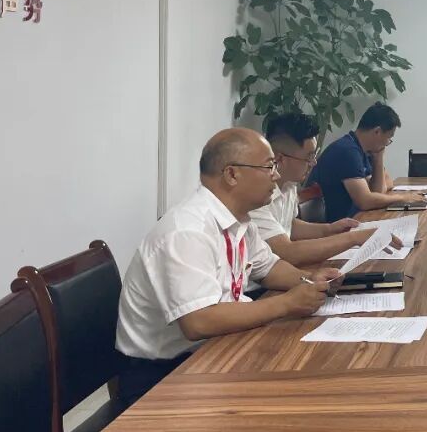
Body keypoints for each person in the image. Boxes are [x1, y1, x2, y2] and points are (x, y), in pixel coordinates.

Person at [116, 128, 337, 405]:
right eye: (269, 167)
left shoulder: (239, 220)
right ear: (232, 174)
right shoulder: (187, 231)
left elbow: (269, 267)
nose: (276, 175)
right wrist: (287, 303)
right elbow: (199, 321)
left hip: (215, 351)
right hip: (160, 377)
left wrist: (310, 281)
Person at [249, 112, 401, 268]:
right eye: (309, 157)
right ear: (280, 159)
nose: (314, 163)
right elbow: (288, 252)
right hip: (266, 279)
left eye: (315, 154)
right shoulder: (256, 197)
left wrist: (329, 229)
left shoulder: (289, 184)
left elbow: (288, 225)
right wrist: (354, 238)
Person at [307, 102, 426, 221]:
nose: (387, 143)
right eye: (389, 138)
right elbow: (365, 201)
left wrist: (378, 158)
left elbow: (379, 190)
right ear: (377, 132)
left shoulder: (362, 149)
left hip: (355, 218)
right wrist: (401, 198)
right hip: (339, 225)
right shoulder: (347, 151)